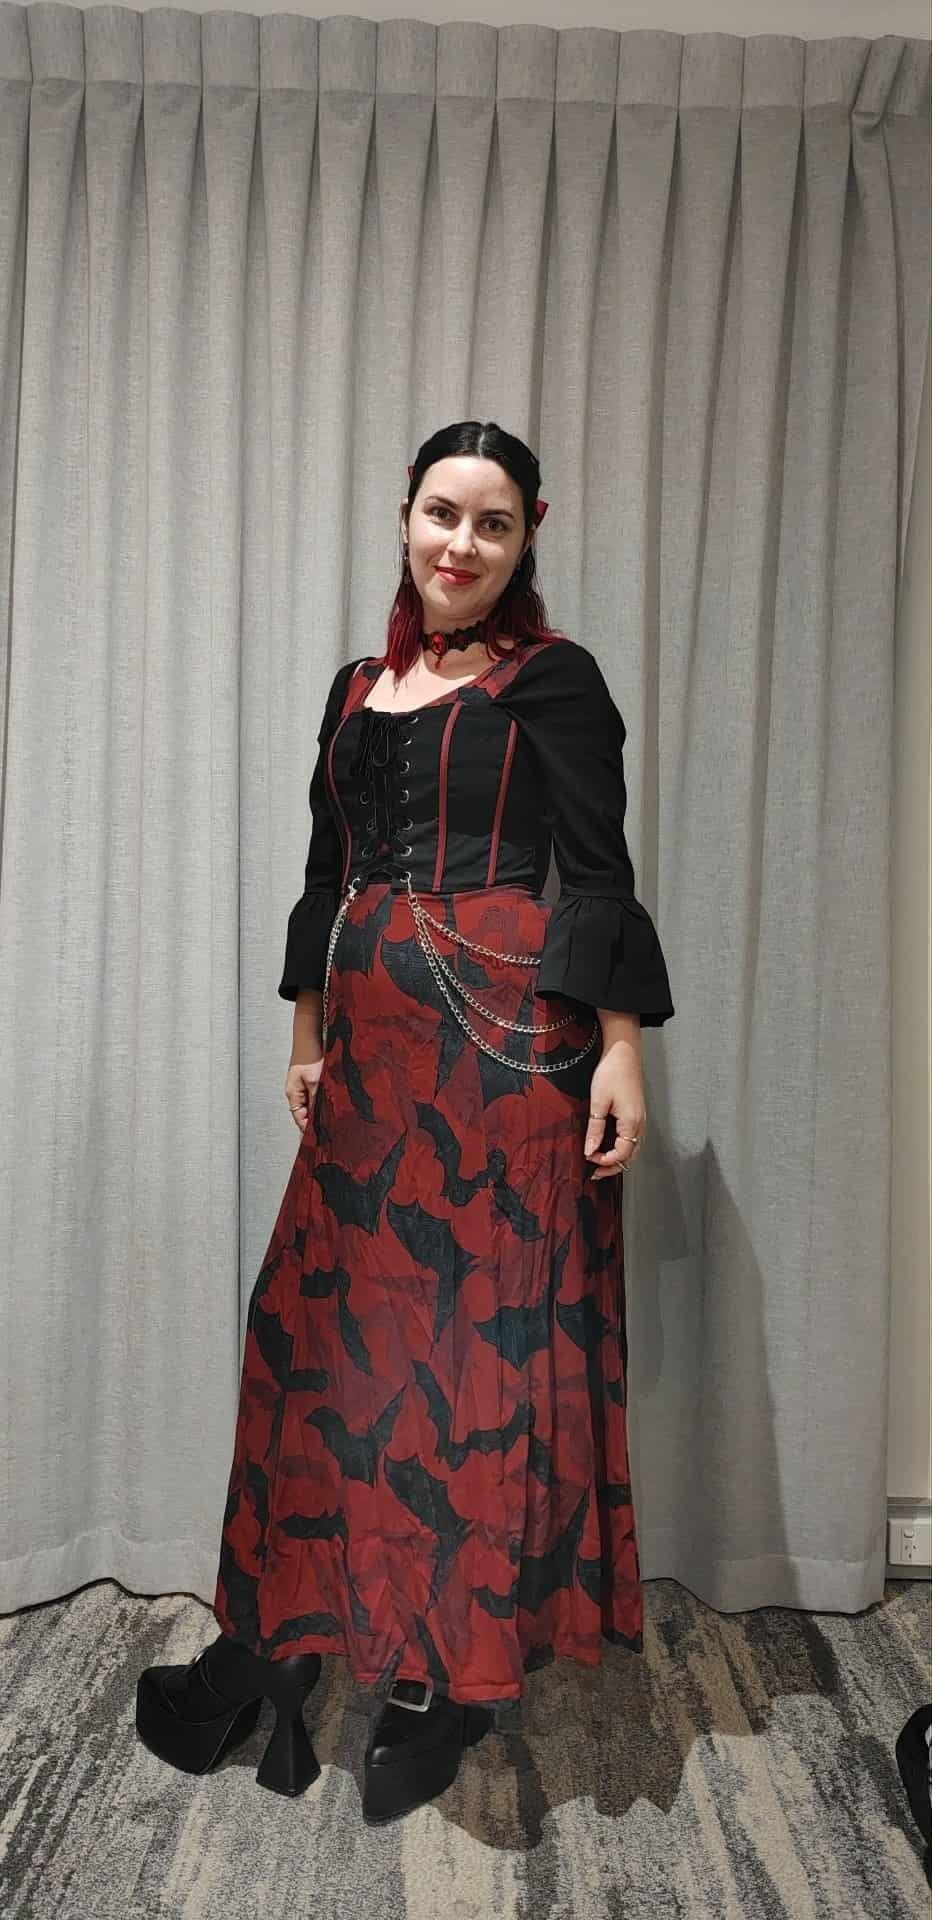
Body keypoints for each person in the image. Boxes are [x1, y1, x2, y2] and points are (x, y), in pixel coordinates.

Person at [135, 419, 675, 1825]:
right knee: (321, 1344)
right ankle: (276, 1640)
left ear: (528, 536)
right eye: (443, 513)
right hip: (369, 1065)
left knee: (470, 1361)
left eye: (493, 523)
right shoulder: (354, 688)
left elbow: (597, 874)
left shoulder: (554, 682)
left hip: (507, 1060)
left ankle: (447, 1672)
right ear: (403, 516)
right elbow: (328, 873)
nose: (461, 544)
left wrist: (622, 1054)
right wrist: (306, 1034)